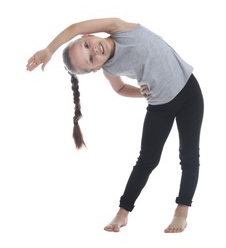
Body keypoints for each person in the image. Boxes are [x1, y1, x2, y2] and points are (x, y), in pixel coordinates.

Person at [26, 18, 204, 233]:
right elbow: (119, 89)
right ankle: (123, 212)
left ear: (87, 36)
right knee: (147, 160)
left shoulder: (119, 28)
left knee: (189, 154)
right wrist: (141, 92)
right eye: (91, 59)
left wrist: (49, 50)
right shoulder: (109, 69)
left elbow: (75, 27)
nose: (94, 50)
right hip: (159, 106)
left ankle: (181, 212)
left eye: (86, 45)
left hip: (189, 94)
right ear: (96, 68)